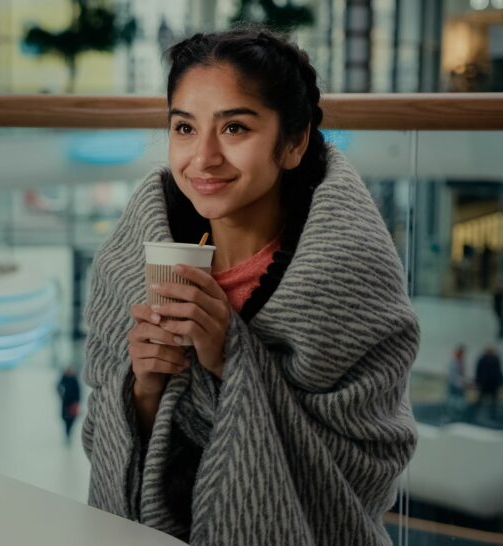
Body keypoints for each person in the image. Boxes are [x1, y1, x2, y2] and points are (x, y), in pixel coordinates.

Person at [82, 27, 419, 545]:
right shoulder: (130, 263)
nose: (204, 158)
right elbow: (100, 433)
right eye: (184, 128)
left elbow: (365, 467)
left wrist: (229, 359)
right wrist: (144, 389)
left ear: (294, 141)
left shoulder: (348, 275)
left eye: (235, 128)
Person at [473, 347, 503, 421]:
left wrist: (501, 381)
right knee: (481, 401)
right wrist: (478, 382)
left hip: (492, 385)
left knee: (493, 402)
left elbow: (498, 372)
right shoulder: (483, 360)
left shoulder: (494, 360)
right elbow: (478, 372)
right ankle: (476, 414)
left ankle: (492, 416)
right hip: (486, 384)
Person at [56, 366, 81, 443]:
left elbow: (79, 391)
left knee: (72, 419)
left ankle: (69, 433)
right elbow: (58, 387)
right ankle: (67, 433)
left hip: (73, 403)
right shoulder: (64, 378)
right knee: (65, 418)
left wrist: (77, 401)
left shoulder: (74, 379)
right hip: (65, 402)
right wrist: (61, 395)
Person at [447, 345, 467, 419]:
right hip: (455, 385)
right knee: (454, 401)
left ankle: (457, 416)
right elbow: (453, 375)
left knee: (458, 401)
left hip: (459, 385)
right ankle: (453, 416)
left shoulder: (461, 362)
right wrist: (460, 383)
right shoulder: (454, 363)